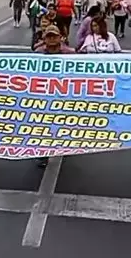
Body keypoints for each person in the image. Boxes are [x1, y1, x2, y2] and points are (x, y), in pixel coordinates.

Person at [34, 25, 75, 168]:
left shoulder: (70, 54)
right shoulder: (38, 54)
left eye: (54, 36)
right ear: (44, 39)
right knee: (43, 126)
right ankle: (43, 154)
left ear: (60, 38)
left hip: (64, 95)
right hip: (44, 95)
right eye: (48, 36)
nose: (51, 39)